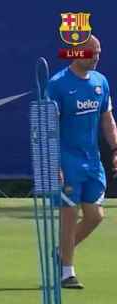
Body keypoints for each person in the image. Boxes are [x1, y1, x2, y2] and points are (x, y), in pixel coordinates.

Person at [46, 35, 117, 289]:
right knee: (68, 214)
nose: (96, 57)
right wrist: (53, 164)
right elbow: (48, 127)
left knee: (95, 215)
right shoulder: (58, 84)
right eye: (91, 53)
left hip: (92, 160)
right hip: (67, 160)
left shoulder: (101, 82)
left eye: (98, 52)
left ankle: (60, 252)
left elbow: (107, 120)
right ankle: (67, 272)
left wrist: (116, 148)